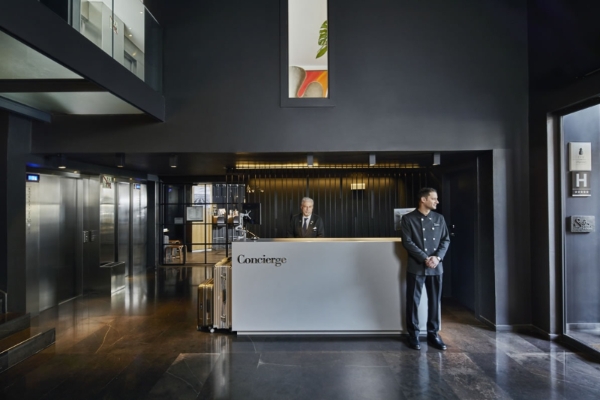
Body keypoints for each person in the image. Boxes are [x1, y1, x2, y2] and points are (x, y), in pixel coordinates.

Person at [400, 187, 450, 351]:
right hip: (416, 266)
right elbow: (407, 242)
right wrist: (424, 258)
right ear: (423, 200)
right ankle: (413, 335)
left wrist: (437, 258)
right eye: (434, 198)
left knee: (435, 302)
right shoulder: (408, 219)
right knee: (413, 302)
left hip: (436, 267)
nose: (437, 201)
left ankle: (433, 334)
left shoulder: (439, 218)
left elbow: (445, 240)